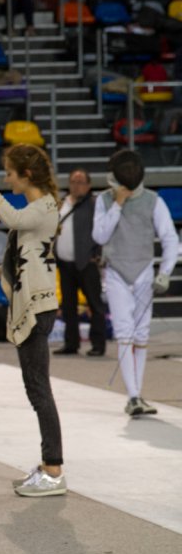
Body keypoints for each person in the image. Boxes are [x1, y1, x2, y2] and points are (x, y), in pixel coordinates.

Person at [0, 145, 65, 497]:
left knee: (39, 390)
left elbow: (14, 220)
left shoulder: (43, 207)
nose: (6, 179)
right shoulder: (40, 209)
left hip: (37, 306)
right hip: (34, 302)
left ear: (26, 175)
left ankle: (53, 470)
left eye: (9, 173)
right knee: (36, 389)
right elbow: (23, 259)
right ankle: (49, 466)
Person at [91, 150, 179, 416]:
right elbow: (100, 236)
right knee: (125, 333)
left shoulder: (153, 200)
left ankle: (137, 395)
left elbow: (170, 239)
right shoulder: (104, 200)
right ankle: (133, 396)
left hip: (143, 273)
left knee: (141, 335)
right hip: (116, 272)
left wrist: (165, 272)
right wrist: (117, 205)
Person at [53, 169, 106, 357]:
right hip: (64, 263)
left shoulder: (94, 204)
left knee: (95, 304)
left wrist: (97, 254)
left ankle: (98, 344)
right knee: (68, 305)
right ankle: (71, 343)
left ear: (88, 185)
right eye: (73, 182)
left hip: (86, 262)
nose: (76, 186)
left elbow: (104, 230)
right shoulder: (61, 203)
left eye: (81, 182)